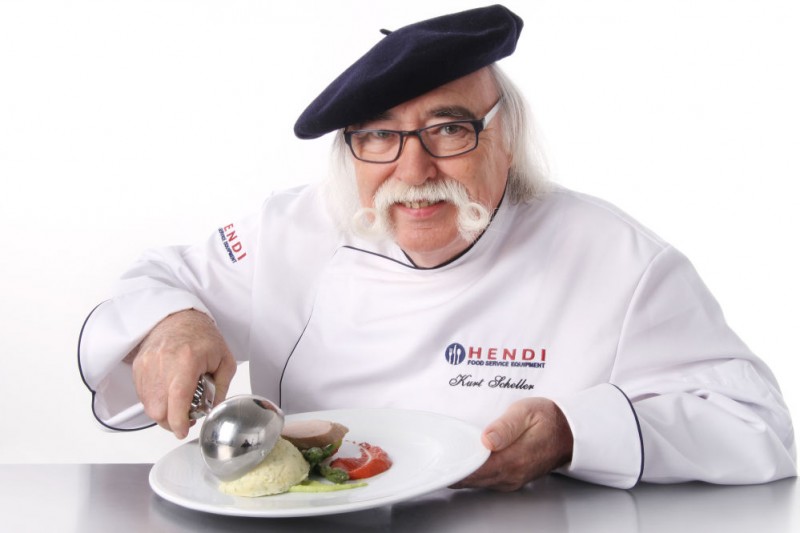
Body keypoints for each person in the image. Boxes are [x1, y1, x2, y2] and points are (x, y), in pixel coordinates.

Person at [78, 5, 796, 490]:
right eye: (379, 136)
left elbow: (757, 424)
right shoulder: (290, 233)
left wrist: (573, 433)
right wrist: (173, 323)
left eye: (449, 130)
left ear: (505, 135)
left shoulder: (617, 259)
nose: (413, 170)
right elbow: (157, 280)